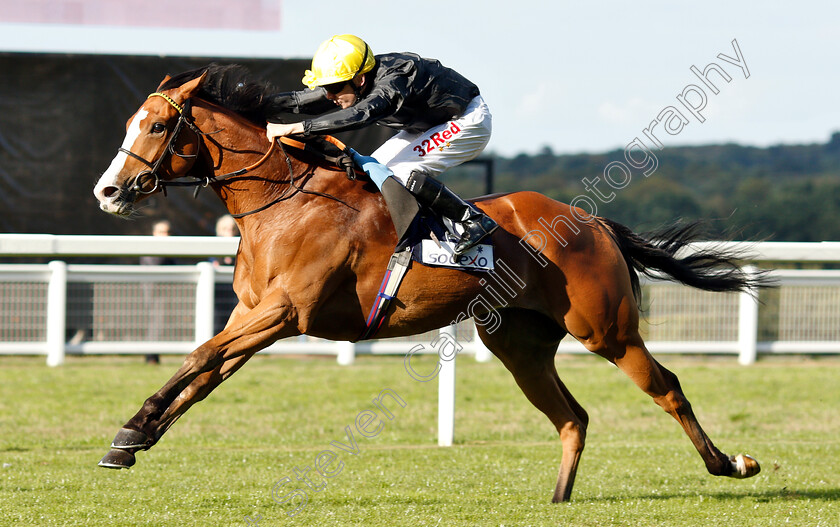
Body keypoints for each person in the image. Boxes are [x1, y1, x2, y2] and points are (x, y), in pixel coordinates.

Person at [264, 34, 497, 255]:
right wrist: (253, 104)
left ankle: (473, 220)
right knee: (375, 170)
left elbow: (361, 114)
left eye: (334, 88)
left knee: (401, 172)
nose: (328, 95)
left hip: (467, 120)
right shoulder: (356, 80)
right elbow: (301, 100)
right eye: (326, 88)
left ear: (360, 79)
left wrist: (295, 128)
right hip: (429, 125)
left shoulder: (395, 80)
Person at [139, 219, 176, 365]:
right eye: (161, 232)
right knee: (154, 323)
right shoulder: (150, 250)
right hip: (152, 294)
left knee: (158, 324)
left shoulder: (171, 252)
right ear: (154, 233)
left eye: (167, 232)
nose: (165, 235)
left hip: (163, 295)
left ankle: (153, 355)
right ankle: (151, 356)